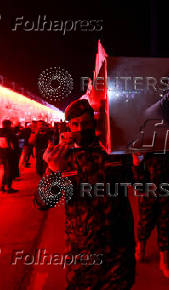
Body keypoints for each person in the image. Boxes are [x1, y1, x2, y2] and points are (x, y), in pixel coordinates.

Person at [43, 99, 135, 289]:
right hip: (83, 252)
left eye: (86, 123)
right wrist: (53, 171)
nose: (81, 129)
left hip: (118, 248)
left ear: (94, 123)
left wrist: (138, 160)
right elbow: (43, 202)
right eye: (75, 124)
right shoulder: (62, 156)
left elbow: (139, 183)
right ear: (68, 126)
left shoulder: (112, 151)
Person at [132, 152, 169, 279]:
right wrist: (137, 161)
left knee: (165, 226)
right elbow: (136, 174)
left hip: (166, 192)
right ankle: (140, 246)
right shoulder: (144, 141)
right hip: (147, 193)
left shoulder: (167, 142)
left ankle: (164, 261)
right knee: (145, 224)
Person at [0, 120, 18, 193]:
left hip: (2, 155)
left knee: (6, 171)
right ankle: (9, 187)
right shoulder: (10, 133)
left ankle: (2, 186)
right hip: (9, 155)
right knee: (9, 171)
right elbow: (15, 144)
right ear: (8, 125)